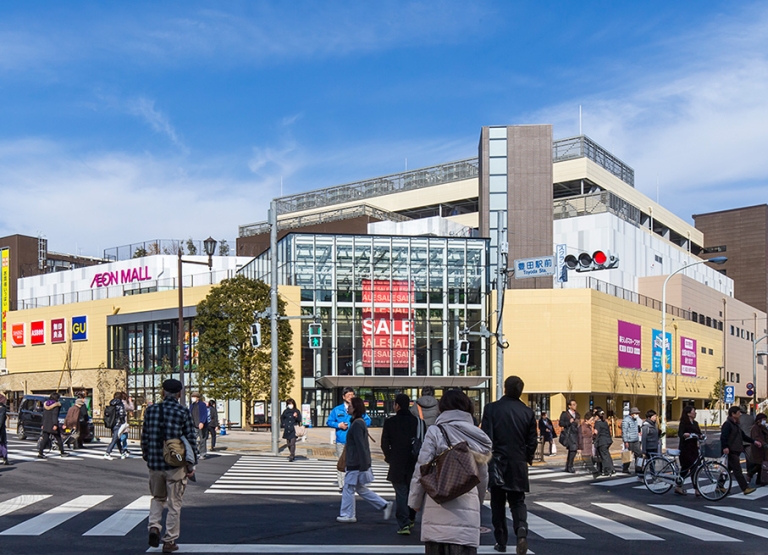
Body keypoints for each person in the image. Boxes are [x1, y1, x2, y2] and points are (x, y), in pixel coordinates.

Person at [409, 389, 492, 555]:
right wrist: (478, 501)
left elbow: (422, 468)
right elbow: (483, 477)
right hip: (467, 511)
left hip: (438, 504)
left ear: (442, 408)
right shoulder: (478, 436)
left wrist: (415, 502)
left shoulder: (435, 431)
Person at [481, 376, 537, 555]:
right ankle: (521, 529)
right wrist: (527, 457)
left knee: (497, 503)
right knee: (517, 501)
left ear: (505, 388)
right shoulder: (527, 412)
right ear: (521, 391)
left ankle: (501, 540)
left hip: (497, 461)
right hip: (518, 462)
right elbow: (532, 441)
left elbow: (486, 437)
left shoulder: (491, 409)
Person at [141, 379, 198, 553]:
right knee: (174, 503)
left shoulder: (150, 411)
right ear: (179, 393)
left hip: (155, 464)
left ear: (163, 392)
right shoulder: (182, 411)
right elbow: (190, 439)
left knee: (157, 498)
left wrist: (148, 457)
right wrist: (191, 465)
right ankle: (169, 540)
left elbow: (144, 438)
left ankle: (154, 527)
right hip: (175, 465)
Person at [337, 397, 393, 523]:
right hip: (358, 462)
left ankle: (348, 514)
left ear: (356, 408)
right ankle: (384, 504)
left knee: (348, 488)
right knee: (359, 488)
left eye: (350, 405)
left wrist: (363, 465)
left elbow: (360, 446)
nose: (348, 407)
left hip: (355, 462)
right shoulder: (358, 422)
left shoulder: (357, 424)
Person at [381, 393, 422, 535]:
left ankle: (404, 524)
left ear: (397, 405)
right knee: (413, 491)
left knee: (401, 493)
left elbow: (384, 443)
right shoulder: (417, 422)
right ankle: (411, 518)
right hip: (414, 461)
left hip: (397, 462)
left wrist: (389, 457)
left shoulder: (390, 422)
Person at [327, 387, 371, 490]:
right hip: (341, 441)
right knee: (342, 462)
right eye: (348, 395)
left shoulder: (358, 410)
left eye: (352, 395)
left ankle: (352, 483)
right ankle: (342, 485)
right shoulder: (337, 409)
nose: (350, 397)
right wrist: (338, 425)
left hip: (354, 442)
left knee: (353, 464)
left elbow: (368, 420)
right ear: (343, 397)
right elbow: (329, 421)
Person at [721, 405, 761, 495]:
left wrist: (754, 441)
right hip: (731, 450)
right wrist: (725, 447)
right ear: (733, 414)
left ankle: (719, 485)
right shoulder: (727, 424)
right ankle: (745, 488)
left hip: (735, 449)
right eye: (738, 413)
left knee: (727, 468)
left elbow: (743, 436)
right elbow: (723, 437)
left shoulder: (736, 425)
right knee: (737, 470)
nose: (740, 415)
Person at [677, 405, 702, 496]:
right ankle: (694, 488)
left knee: (693, 468)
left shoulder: (695, 423)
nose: (695, 413)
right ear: (688, 413)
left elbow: (699, 433)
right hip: (685, 448)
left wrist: (700, 436)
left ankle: (681, 486)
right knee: (687, 468)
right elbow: (680, 433)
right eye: (693, 411)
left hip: (694, 448)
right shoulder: (683, 423)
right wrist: (684, 435)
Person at [38, 393, 68, 459]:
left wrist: (42, 424)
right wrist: (55, 424)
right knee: (59, 438)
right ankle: (62, 452)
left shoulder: (45, 405)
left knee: (45, 439)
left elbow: (44, 415)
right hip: (52, 425)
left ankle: (40, 452)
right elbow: (55, 415)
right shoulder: (56, 405)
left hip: (46, 424)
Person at [104, 392, 128, 460]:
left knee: (117, 438)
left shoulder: (112, 403)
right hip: (118, 423)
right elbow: (121, 414)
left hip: (112, 423)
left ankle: (122, 452)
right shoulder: (120, 404)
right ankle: (107, 452)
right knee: (115, 439)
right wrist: (123, 422)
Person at [558, 400, 580, 473]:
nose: (575, 406)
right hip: (569, 434)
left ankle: (568, 466)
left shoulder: (577, 414)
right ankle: (570, 466)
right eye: (573, 404)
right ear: (569, 406)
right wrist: (568, 422)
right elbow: (560, 423)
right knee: (573, 449)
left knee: (573, 450)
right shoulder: (565, 414)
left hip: (575, 434)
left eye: (575, 404)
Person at [748, 413, 768, 487]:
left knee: (762, 464)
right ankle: (750, 474)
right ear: (758, 420)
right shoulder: (755, 428)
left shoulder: (763, 427)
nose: (764, 421)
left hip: (763, 449)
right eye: (763, 420)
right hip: (757, 448)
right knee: (760, 464)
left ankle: (760, 479)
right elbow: (756, 437)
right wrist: (763, 444)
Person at [578, 409, 599, 478]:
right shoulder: (582, 427)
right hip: (584, 446)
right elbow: (579, 437)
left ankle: (595, 471)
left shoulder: (588, 427)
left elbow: (590, 436)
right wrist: (579, 447)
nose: (592, 421)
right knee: (587, 460)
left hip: (588, 446)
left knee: (588, 460)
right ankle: (595, 472)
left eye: (592, 420)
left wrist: (594, 434)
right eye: (591, 420)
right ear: (586, 420)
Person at [621, 407, 642, 475]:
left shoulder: (635, 420)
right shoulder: (626, 420)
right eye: (636, 413)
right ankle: (625, 468)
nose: (637, 415)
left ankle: (639, 469)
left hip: (636, 439)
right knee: (628, 455)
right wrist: (625, 441)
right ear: (632, 414)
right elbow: (624, 431)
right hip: (629, 440)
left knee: (639, 455)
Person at [593, 407, 614, 476]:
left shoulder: (597, 423)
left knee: (603, 456)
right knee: (607, 455)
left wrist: (593, 439)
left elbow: (596, 433)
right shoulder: (604, 422)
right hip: (608, 440)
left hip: (601, 441)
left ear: (597, 416)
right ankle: (611, 469)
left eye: (595, 416)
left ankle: (607, 470)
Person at [281, 398, 302, 462]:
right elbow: (282, 418)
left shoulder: (297, 411)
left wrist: (296, 416)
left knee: (292, 443)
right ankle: (292, 453)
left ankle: (292, 455)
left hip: (294, 429)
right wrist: (284, 424)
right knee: (288, 444)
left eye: (291, 404)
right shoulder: (285, 411)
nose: (290, 405)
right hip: (287, 429)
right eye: (289, 404)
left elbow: (299, 420)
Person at [189, 392, 209, 460]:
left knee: (202, 439)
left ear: (198, 398)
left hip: (201, 425)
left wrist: (202, 422)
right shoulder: (192, 405)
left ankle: (203, 453)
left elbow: (204, 414)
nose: (193, 398)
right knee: (193, 439)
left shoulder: (202, 405)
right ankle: (194, 452)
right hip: (194, 425)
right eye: (192, 397)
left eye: (194, 397)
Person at [0, 393, 9, 465]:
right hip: (1, 428)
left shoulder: (2, 408)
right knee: (3, 443)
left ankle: (4, 457)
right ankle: (5, 458)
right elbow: (2, 419)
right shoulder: (3, 408)